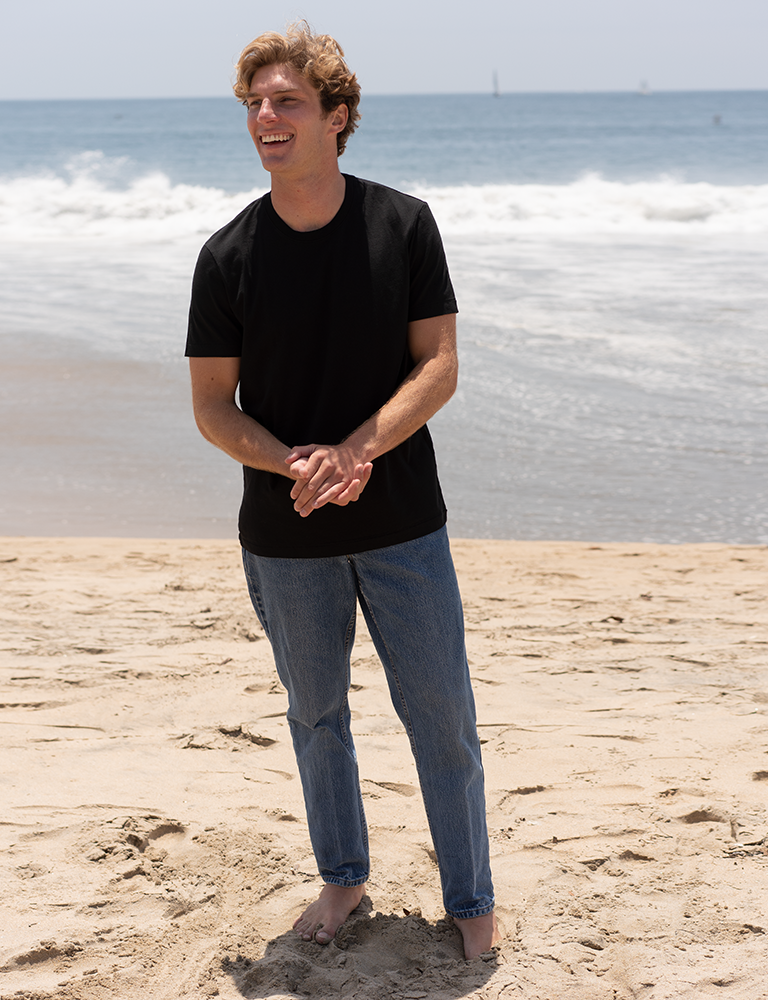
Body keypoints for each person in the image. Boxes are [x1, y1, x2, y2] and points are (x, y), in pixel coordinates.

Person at [185, 23, 498, 960]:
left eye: (287, 101)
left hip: (403, 520)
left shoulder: (403, 225)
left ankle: (472, 899)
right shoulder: (226, 255)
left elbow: (438, 365)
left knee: (442, 715)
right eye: (254, 104)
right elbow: (212, 406)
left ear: (338, 116)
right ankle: (344, 878)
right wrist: (299, 465)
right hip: (286, 531)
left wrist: (358, 451)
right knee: (316, 717)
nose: (266, 117)